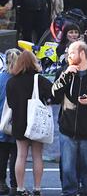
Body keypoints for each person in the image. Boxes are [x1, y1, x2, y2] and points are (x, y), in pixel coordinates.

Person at [52, 41, 87, 196]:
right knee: (67, 166)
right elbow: (55, 96)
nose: (68, 56)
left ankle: (86, 191)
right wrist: (65, 75)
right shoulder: (64, 71)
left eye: (71, 53)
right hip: (67, 127)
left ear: (82, 54)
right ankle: (69, 192)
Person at [6, 50, 54, 196]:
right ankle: (37, 188)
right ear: (34, 62)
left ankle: (20, 188)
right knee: (37, 156)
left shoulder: (12, 81)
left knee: (21, 155)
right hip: (37, 122)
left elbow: (11, 103)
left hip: (19, 122)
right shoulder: (39, 79)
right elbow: (52, 94)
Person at [0, 49, 19, 196]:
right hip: (18, 123)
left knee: (2, 155)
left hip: (1, 122)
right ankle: (15, 184)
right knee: (17, 156)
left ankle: (1, 183)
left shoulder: (1, 78)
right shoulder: (21, 79)